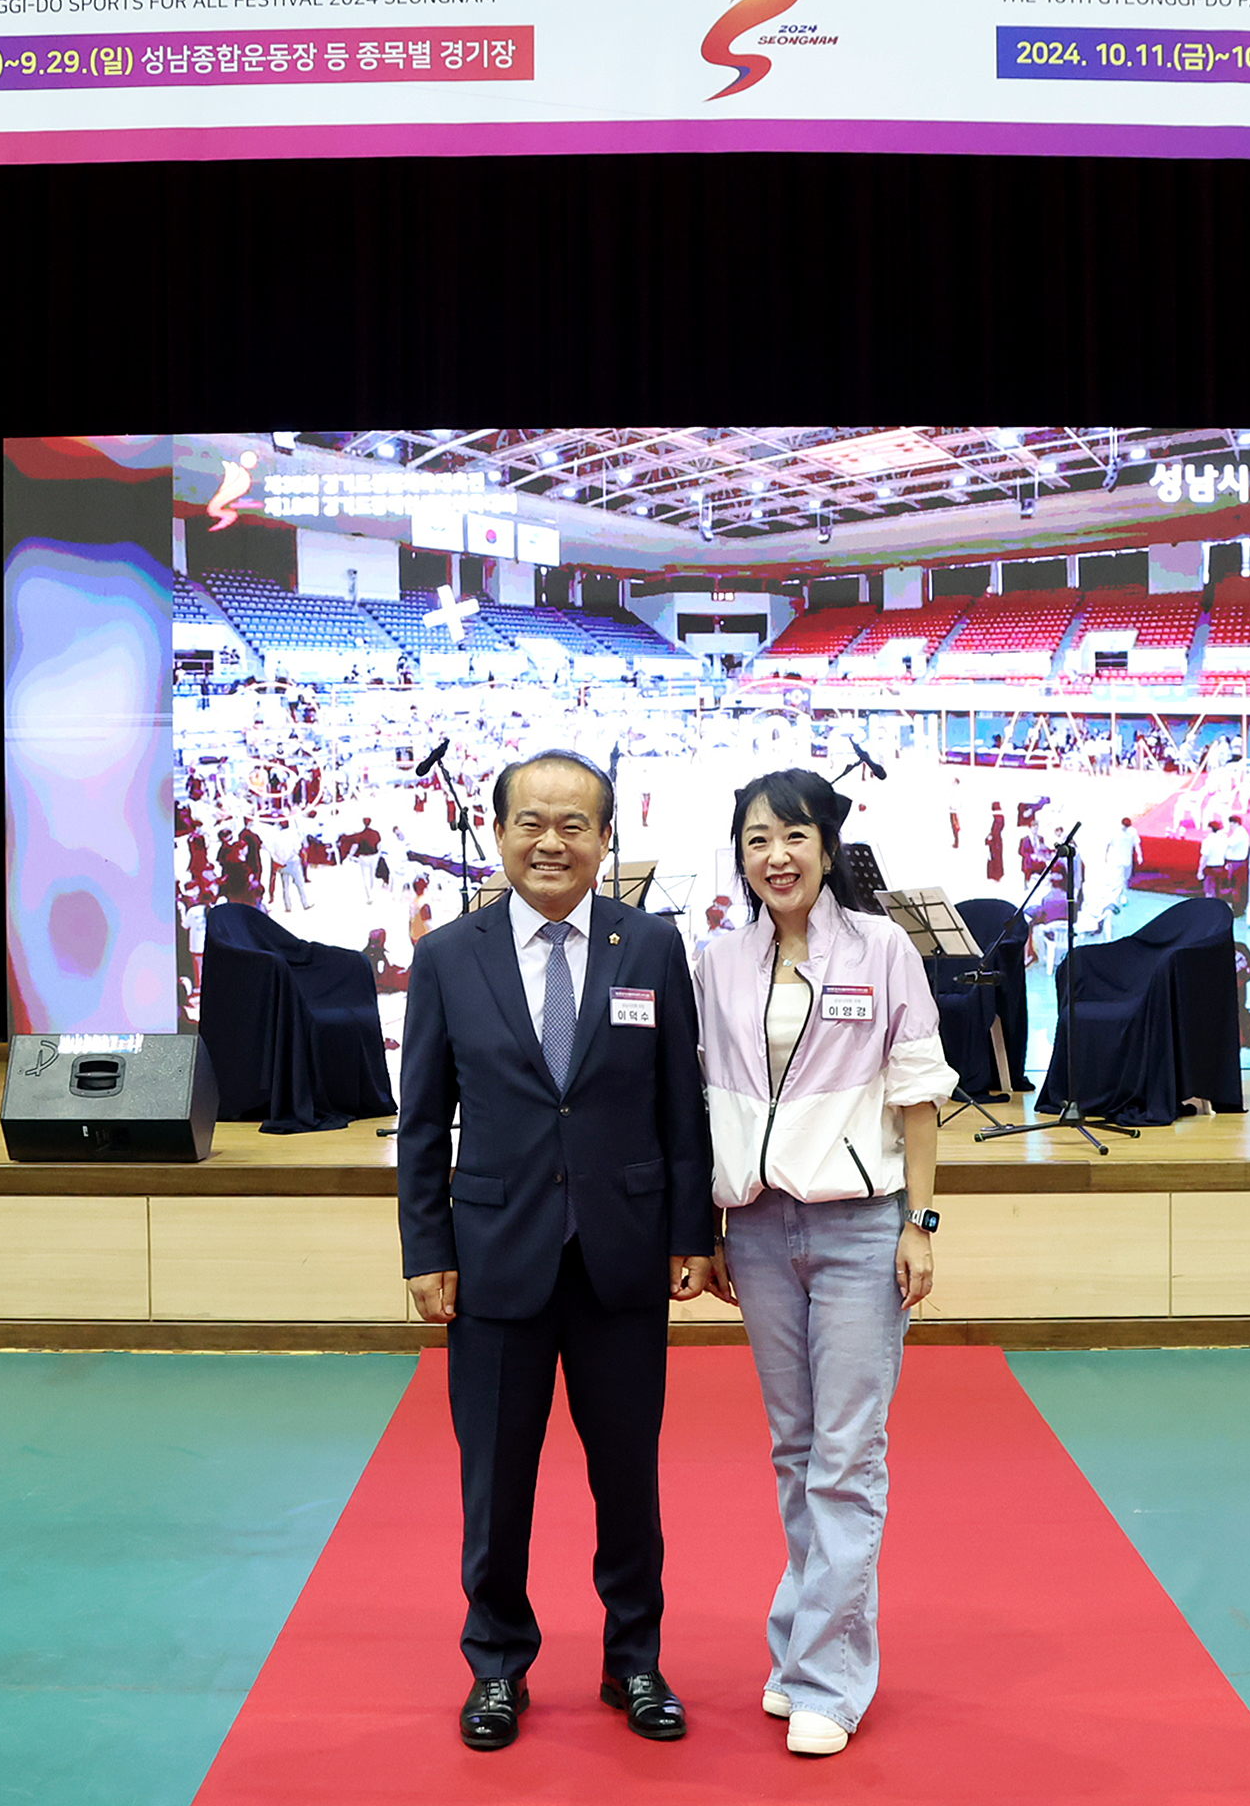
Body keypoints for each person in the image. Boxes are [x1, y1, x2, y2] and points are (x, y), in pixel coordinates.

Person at [396, 749, 715, 1754]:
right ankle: (497, 1664)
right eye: (531, 821)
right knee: (497, 1478)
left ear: (604, 840)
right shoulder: (451, 955)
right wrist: (424, 1248)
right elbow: (420, 1122)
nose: (552, 840)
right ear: (498, 835)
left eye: (575, 824)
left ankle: (635, 1659)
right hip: (494, 1257)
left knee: (628, 1476)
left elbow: (679, 1103)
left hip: (623, 1257)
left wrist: (689, 1234)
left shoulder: (651, 945)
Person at [693, 768, 957, 1759]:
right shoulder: (719, 961)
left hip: (858, 1228)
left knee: (848, 1457)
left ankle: (829, 1681)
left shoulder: (882, 947)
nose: (778, 856)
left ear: (826, 845)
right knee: (796, 1453)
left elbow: (919, 1094)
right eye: (758, 838)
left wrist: (920, 1221)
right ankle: (803, 1644)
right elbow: (706, 1099)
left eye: (795, 835)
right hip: (759, 1233)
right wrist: (709, 1231)